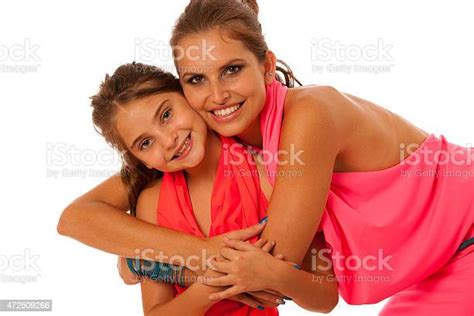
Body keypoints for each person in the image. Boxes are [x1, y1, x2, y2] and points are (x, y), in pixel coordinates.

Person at [58, 0, 474, 314]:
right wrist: (176, 254)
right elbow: (77, 218)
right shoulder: (216, 142)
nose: (217, 95)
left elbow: (269, 271)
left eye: (232, 70)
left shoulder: (311, 115)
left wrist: (147, 261)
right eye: (197, 79)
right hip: (429, 269)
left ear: (267, 66)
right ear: (183, 89)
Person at [84, 62, 338, 315]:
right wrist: (208, 285)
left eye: (166, 115)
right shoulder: (151, 202)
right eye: (146, 142)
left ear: (187, 95)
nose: (169, 140)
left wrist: (273, 275)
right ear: (139, 160)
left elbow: (325, 296)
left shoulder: (266, 172)